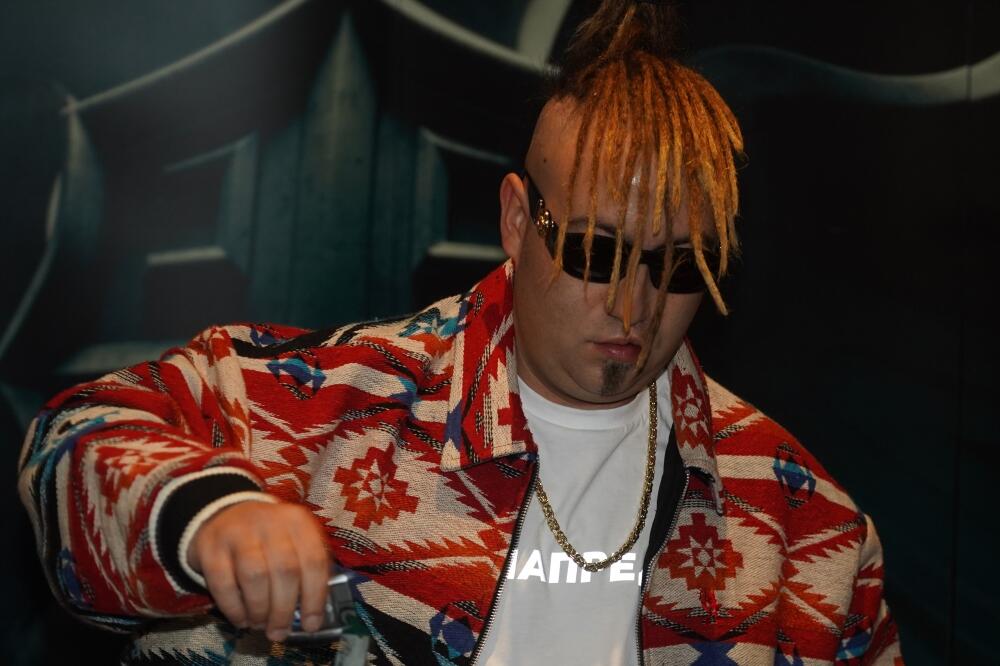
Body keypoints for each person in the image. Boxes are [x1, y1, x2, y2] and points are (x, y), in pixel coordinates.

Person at [18, 1, 901, 664]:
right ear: (516, 220)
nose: (631, 308)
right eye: (594, 252)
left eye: (677, 268)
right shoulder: (311, 410)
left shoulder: (804, 529)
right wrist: (210, 516)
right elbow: (71, 439)